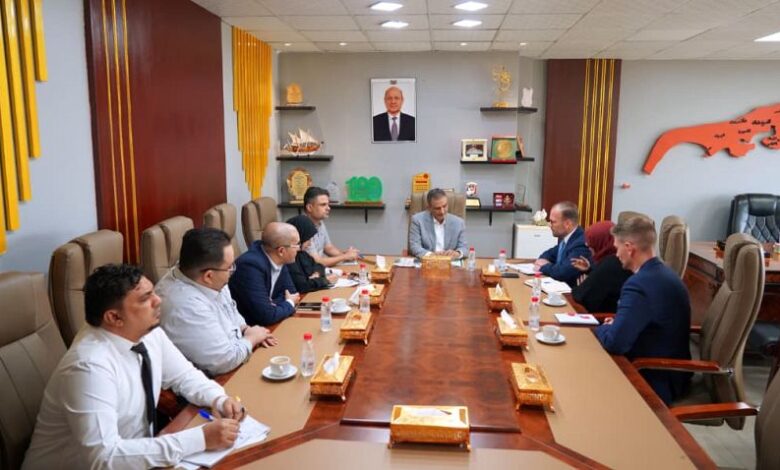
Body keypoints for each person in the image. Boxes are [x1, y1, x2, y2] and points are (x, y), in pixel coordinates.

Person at [23, 264, 243, 469]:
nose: (158, 300)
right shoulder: (88, 367)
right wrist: (199, 439)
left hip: (137, 456)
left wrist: (218, 399)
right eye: (146, 298)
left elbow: (184, 376)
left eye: (153, 292)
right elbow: (103, 457)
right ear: (114, 317)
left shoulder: (147, 332)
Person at [594, 215, 691, 405]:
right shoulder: (664, 273)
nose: (616, 254)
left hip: (652, 377)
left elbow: (615, 343)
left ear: (629, 248)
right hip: (673, 372)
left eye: (617, 248)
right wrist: (618, 325)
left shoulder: (639, 285)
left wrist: (601, 328)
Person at [156, 228, 277, 377]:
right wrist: (252, 338)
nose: (232, 271)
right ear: (208, 276)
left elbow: (231, 310)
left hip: (237, 355)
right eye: (229, 267)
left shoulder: (208, 275)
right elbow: (223, 361)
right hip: (212, 379)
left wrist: (246, 329)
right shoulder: (184, 306)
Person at [229, 222, 301, 326]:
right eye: (297, 244)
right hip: (249, 328)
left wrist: (271, 305)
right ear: (281, 251)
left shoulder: (279, 258)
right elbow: (266, 316)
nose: (299, 248)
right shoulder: (250, 266)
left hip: (273, 323)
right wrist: (289, 303)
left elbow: (292, 293)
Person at [570, 221, 633, 312]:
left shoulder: (611, 263)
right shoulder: (621, 260)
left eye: (591, 239)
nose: (587, 244)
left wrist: (581, 286)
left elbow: (581, 297)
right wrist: (589, 270)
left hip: (601, 316)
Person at [533, 201, 592, 287]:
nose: (550, 225)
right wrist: (550, 266)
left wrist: (544, 267)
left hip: (570, 293)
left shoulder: (581, 243)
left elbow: (563, 273)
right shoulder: (566, 238)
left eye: (553, 222)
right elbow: (547, 255)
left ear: (567, 224)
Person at [303, 186, 360, 267]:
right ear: (309, 207)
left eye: (328, 204)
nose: (328, 208)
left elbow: (328, 248)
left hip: (319, 271)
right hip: (309, 272)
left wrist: (348, 255)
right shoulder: (303, 227)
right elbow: (317, 262)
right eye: (323, 205)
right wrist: (344, 257)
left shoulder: (320, 222)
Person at [409, 188, 467, 259]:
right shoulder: (417, 220)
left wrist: (457, 253)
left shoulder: (459, 223)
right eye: (437, 208)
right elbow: (415, 246)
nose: (442, 211)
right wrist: (431, 255)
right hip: (428, 261)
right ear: (429, 208)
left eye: (444, 206)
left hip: (450, 262)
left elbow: (464, 248)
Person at [286, 214, 339, 293]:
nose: (310, 243)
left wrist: (317, 273)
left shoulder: (302, 254)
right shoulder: (290, 258)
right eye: (308, 239)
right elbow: (302, 286)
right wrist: (325, 280)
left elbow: (319, 265)